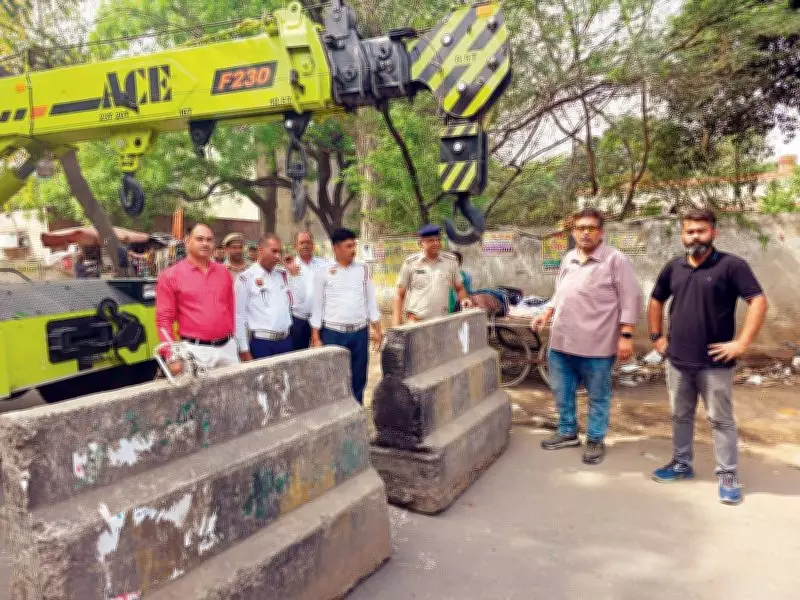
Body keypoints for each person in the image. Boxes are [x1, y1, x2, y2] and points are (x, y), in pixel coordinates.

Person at [648, 209, 767, 505]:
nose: (695, 236)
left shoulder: (732, 266)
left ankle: (727, 474)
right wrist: (656, 337)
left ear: (714, 233)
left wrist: (741, 343)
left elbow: (758, 301)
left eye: (701, 231)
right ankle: (681, 463)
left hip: (715, 363)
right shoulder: (674, 267)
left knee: (720, 420)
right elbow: (656, 299)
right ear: (682, 235)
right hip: (678, 360)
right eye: (689, 231)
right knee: (679, 414)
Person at [531, 208, 641, 465]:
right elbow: (560, 292)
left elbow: (631, 298)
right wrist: (546, 312)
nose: (585, 232)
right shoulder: (568, 257)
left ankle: (594, 438)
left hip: (597, 345)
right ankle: (568, 431)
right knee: (561, 391)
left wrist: (626, 335)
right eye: (580, 228)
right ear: (573, 232)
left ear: (600, 232)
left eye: (591, 228)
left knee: (598, 395)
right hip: (561, 342)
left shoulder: (615, 260)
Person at [310, 228, 383, 404]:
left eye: (354, 245)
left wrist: (378, 329)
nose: (353, 250)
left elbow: (370, 300)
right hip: (333, 333)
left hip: (359, 332)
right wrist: (315, 336)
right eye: (348, 246)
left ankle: (356, 411)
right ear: (336, 248)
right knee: (333, 378)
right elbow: (317, 305)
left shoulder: (363, 269)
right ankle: (335, 416)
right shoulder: (323, 271)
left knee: (359, 377)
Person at [155, 224, 238, 376]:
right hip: (196, 351)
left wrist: (233, 337)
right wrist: (172, 355)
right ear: (188, 241)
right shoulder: (170, 276)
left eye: (209, 240)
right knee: (199, 399)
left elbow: (230, 307)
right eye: (199, 239)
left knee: (235, 396)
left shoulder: (223, 272)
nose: (205, 243)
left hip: (228, 348)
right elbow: (163, 321)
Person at [234, 234, 304, 360]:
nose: (278, 256)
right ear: (260, 250)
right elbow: (239, 316)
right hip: (262, 343)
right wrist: (244, 350)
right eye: (274, 251)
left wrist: (293, 273)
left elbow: (298, 302)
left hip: (286, 341)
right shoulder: (246, 278)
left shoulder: (282, 275)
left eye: (279, 252)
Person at [392, 224, 473, 326]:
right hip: (416, 322)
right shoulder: (410, 263)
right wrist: (396, 321)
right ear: (421, 243)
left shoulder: (451, 261)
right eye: (431, 240)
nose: (436, 243)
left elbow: (459, 287)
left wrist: (464, 299)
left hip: (441, 322)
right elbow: (399, 294)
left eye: (438, 240)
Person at [291, 230, 329, 350]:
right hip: (298, 320)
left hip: (321, 320)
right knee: (298, 357)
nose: (305, 245)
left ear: (313, 245)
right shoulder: (289, 266)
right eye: (301, 243)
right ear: (296, 246)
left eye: (308, 242)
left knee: (321, 357)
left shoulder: (324, 265)